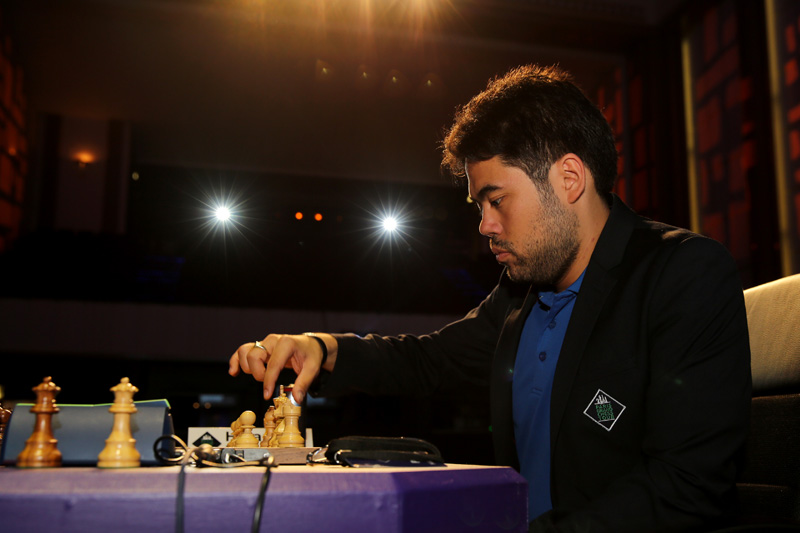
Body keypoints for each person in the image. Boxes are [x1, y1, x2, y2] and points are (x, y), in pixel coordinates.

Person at [228, 64, 751, 532]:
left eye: (496, 200)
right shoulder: (521, 293)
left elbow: (686, 486)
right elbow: (428, 360)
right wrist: (323, 346)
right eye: (480, 206)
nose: (485, 226)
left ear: (569, 178)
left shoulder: (683, 273)